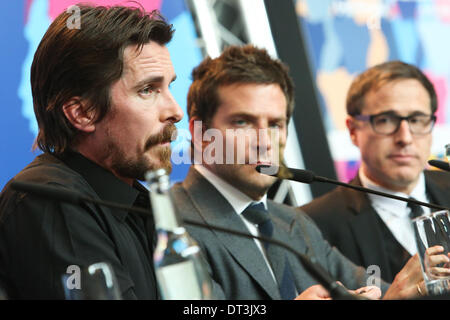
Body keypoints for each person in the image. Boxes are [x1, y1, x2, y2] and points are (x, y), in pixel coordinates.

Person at [170, 45, 425, 300]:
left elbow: (376, 286)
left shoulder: (293, 221)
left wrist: (407, 287)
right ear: (202, 133)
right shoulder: (168, 224)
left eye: (274, 124)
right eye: (242, 122)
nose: (264, 141)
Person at [0, 5, 183, 299]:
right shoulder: (49, 199)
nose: (176, 111)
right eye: (148, 90)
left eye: (169, 87)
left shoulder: (140, 203)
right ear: (82, 113)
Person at [301, 61, 450, 283]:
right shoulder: (311, 225)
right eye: (386, 120)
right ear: (353, 130)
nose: (405, 138)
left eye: (417, 120)